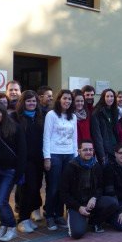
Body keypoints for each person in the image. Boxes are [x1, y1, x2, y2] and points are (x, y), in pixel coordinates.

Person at [60, 140, 122, 238]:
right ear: (79, 151)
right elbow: (64, 193)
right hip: (77, 204)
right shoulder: (70, 167)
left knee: (113, 203)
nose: (88, 152)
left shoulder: (96, 166)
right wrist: (78, 207)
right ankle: (75, 217)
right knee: (77, 234)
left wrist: (94, 198)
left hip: (92, 202)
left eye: (90, 150)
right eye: (85, 150)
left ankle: (95, 221)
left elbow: (100, 187)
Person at [0, 102, 26, 242]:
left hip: (10, 170)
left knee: (2, 200)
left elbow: (22, 151)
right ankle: (4, 225)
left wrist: (19, 172)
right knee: (0, 200)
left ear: (3, 113)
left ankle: (11, 227)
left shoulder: (15, 127)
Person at [43, 89, 78, 230]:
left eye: (70, 99)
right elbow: (46, 136)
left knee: (64, 187)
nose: (67, 101)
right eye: (65, 98)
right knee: (53, 187)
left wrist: (76, 157)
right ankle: (49, 216)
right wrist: (47, 157)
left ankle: (59, 214)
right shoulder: (51, 115)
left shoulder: (73, 117)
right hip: (55, 154)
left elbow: (75, 138)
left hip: (69, 154)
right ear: (59, 99)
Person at [12, 90, 44, 233]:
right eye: (28, 101)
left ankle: (28, 217)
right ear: (23, 102)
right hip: (24, 160)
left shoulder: (39, 117)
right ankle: (22, 220)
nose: (31, 103)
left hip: (38, 159)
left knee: (35, 188)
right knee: (26, 189)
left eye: (34, 101)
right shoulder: (15, 117)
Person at [91, 89, 118, 166]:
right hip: (105, 150)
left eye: (112, 96)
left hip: (115, 148)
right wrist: (101, 154)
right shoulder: (97, 113)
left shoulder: (114, 111)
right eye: (107, 96)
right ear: (103, 98)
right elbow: (97, 135)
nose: (110, 98)